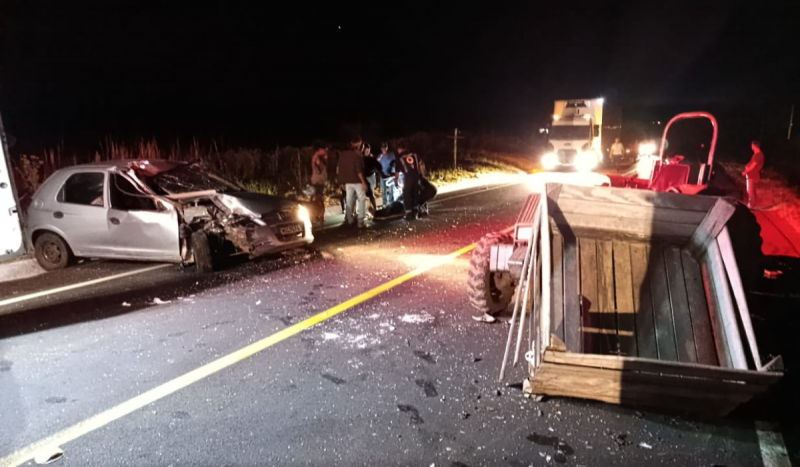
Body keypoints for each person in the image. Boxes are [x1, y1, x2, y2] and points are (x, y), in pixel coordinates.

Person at [337, 136, 368, 228]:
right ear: (358, 144)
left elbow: (338, 169)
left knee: (349, 200)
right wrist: (363, 182)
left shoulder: (342, 155)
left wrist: (341, 181)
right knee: (361, 199)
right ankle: (360, 221)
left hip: (347, 182)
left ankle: (350, 219)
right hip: (357, 180)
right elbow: (359, 170)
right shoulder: (357, 155)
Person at [395, 141, 423, 220]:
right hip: (416, 176)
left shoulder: (399, 158)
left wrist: (396, 182)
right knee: (415, 193)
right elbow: (421, 165)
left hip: (408, 177)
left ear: (400, 149)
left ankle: (409, 213)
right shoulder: (415, 154)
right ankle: (415, 211)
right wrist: (421, 175)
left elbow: (397, 173)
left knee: (406, 194)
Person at [309, 141, 329, 225]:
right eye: (324, 149)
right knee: (318, 199)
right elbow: (318, 170)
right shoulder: (316, 158)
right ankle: (317, 217)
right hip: (317, 182)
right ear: (320, 149)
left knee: (317, 199)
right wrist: (324, 160)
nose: (326, 150)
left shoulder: (319, 157)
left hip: (319, 181)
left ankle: (317, 217)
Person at [742, 140, 765, 209]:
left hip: (753, 176)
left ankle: (751, 206)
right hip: (752, 175)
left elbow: (752, 166)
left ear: (754, 146)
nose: (751, 147)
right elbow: (751, 164)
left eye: (752, 145)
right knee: (752, 191)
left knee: (750, 192)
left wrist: (745, 172)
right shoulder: (756, 154)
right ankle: (753, 205)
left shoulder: (759, 155)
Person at [361, 143, 381, 216]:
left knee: (371, 193)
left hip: (371, 176)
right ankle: (363, 211)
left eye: (368, 150)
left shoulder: (372, 158)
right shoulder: (361, 158)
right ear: (363, 150)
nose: (367, 151)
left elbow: (377, 167)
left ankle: (374, 208)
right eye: (366, 150)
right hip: (364, 177)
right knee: (362, 194)